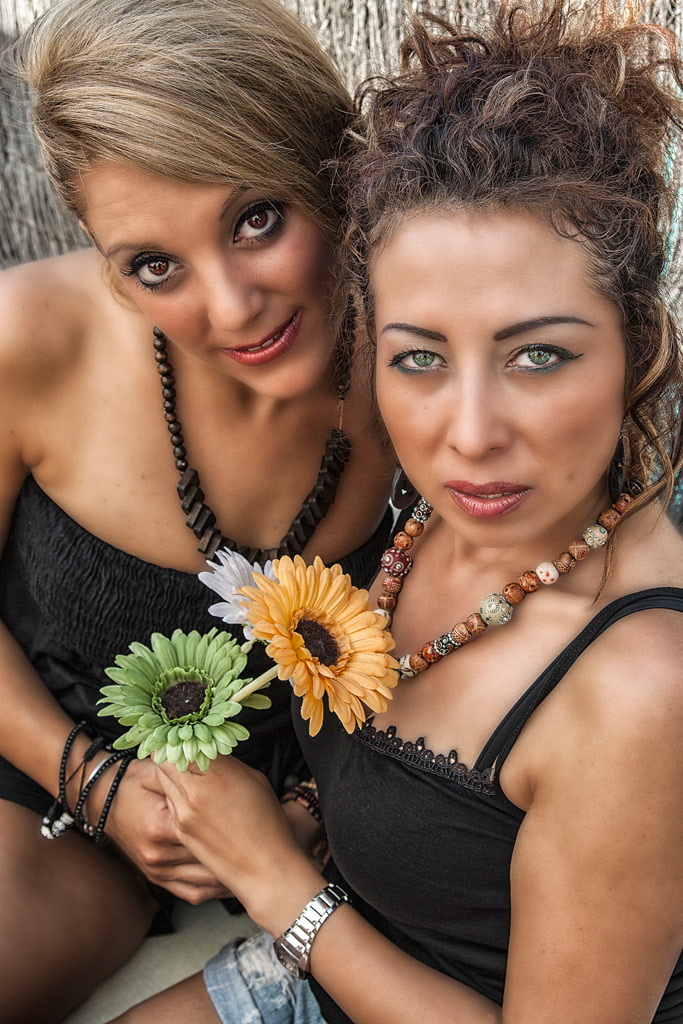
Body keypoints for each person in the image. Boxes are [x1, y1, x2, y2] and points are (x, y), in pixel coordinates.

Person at [109, 3, 683, 1023]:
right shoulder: (429, 525)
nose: (468, 434)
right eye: (419, 357)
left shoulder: (641, 691)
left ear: (637, 346)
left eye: (537, 355)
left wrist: (278, 884)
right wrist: (301, 816)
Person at [0, 0, 395, 1019]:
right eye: (154, 266)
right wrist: (94, 786)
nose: (230, 307)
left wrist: (309, 813)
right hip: (42, 777)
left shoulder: (432, 376)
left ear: (333, 163)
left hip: (311, 828)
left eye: (256, 219)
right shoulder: (29, 340)